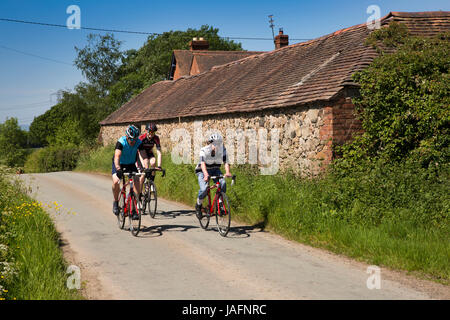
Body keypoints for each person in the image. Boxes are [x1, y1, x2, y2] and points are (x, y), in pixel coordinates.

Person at [112, 124, 147, 220]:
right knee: (116, 181)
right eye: (131, 139)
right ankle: (115, 202)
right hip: (120, 164)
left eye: (135, 139)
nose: (133, 141)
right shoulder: (121, 142)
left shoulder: (138, 142)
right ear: (127, 136)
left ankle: (134, 209)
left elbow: (144, 156)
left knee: (137, 182)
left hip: (131, 164)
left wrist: (146, 168)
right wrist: (118, 168)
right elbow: (117, 157)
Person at [195, 133, 232, 219]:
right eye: (215, 143)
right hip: (202, 171)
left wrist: (227, 172)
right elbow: (202, 163)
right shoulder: (204, 150)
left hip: (215, 169)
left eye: (219, 143)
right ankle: (198, 205)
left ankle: (220, 203)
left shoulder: (223, 150)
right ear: (211, 143)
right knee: (204, 189)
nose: (218, 145)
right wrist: (206, 174)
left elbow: (226, 162)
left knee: (222, 183)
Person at [136, 122, 162, 198]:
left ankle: (151, 183)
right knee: (143, 174)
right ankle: (139, 194)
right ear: (146, 131)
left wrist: (159, 166)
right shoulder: (141, 138)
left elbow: (159, 153)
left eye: (153, 132)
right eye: (150, 132)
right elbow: (138, 152)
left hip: (149, 152)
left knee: (153, 162)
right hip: (141, 153)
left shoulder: (156, 138)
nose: (151, 134)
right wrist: (143, 166)